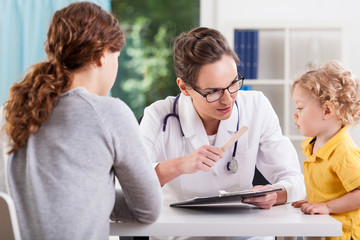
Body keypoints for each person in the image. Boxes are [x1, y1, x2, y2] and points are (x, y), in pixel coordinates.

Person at [0, 2, 162, 239]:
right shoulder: (108, 113)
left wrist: (94, 192)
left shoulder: (11, 111)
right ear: (102, 55)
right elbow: (148, 209)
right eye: (116, 56)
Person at [140, 27, 305, 215]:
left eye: (233, 83)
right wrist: (180, 165)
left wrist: (276, 195)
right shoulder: (159, 115)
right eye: (213, 91)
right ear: (184, 87)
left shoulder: (256, 106)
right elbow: (129, 183)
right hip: (183, 233)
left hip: (244, 233)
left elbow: (295, 180)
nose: (228, 99)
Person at [291, 60, 360, 240]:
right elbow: (332, 189)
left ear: (327, 110)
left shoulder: (342, 150)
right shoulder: (314, 144)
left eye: (300, 107)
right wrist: (315, 202)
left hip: (343, 235)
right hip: (323, 230)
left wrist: (328, 206)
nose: (295, 114)